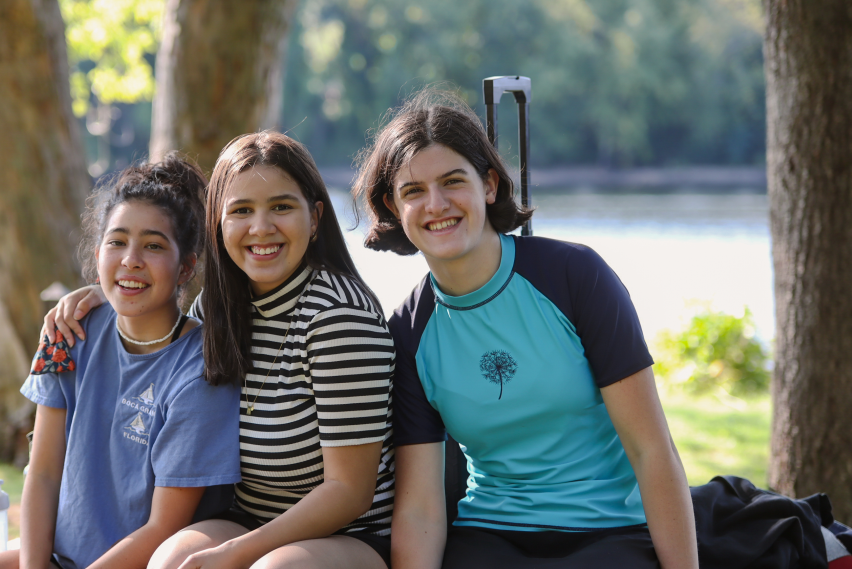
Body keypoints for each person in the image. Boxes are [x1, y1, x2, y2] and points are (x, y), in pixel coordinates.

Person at [352, 89, 699, 569]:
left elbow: (651, 450)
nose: (436, 204)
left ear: (489, 185)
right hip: (491, 535)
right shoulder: (409, 332)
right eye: (413, 191)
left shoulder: (575, 276)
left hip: (608, 531)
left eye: (453, 181)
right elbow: (420, 506)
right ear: (392, 206)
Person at [43, 132, 396, 569]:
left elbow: (350, 492)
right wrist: (101, 294)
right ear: (218, 223)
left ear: (315, 216)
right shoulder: (217, 306)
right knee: (171, 559)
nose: (260, 228)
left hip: (350, 535)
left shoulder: (339, 320)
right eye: (241, 211)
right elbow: (154, 318)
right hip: (248, 519)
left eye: (281, 207)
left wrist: (234, 553)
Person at [0, 155, 242, 569]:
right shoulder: (68, 331)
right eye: (117, 242)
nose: (131, 259)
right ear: (97, 258)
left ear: (186, 268)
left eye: (153, 245)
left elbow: (163, 528)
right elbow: (40, 474)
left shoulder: (200, 372)